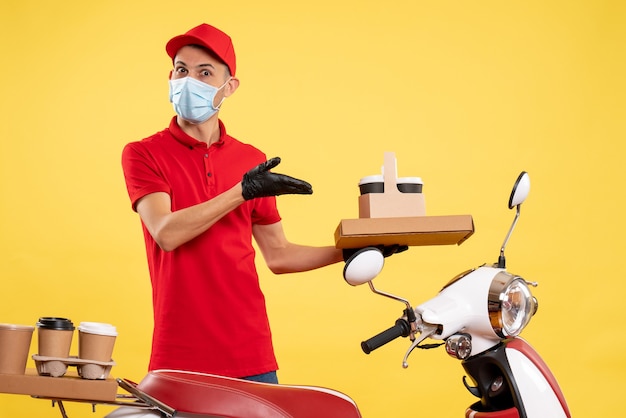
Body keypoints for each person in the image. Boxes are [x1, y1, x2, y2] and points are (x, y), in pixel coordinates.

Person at [121, 23, 348, 384]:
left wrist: (350, 252)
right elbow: (166, 233)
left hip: (250, 349)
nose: (188, 80)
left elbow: (279, 255)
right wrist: (242, 191)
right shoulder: (144, 153)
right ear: (170, 77)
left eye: (205, 72)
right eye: (182, 70)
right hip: (180, 352)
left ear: (229, 87)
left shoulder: (250, 159)